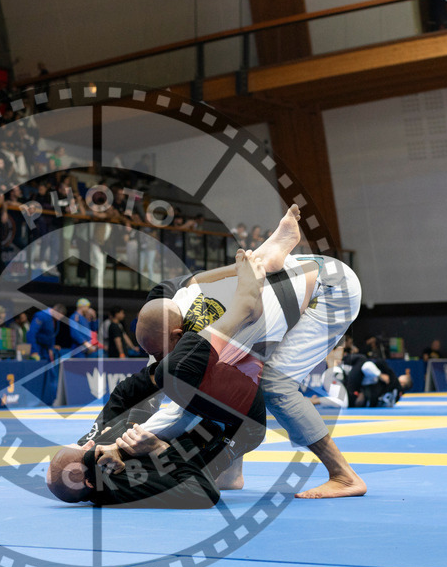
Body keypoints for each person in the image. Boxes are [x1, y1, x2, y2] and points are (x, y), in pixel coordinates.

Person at [128, 205, 364, 498]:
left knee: (272, 385)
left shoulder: (217, 328)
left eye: (162, 353)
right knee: (229, 376)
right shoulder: (179, 302)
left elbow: (184, 406)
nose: (163, 360)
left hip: (332, 289)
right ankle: (231, 473)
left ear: (176, 334)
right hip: (298, 270)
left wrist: (137, 439)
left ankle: (343, 476)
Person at [48, 250, 272, 508]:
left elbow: (124, 393)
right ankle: (243, 303)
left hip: (207, 420)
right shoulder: (125, 485)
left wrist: (109, 426)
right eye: (88, 451)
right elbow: (203, 492)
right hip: (241, 422)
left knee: (161, 296)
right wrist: (155, 448)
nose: (90, 444)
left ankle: (232, 475)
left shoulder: (96, 454)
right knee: (179, 371)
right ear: (91, 481)